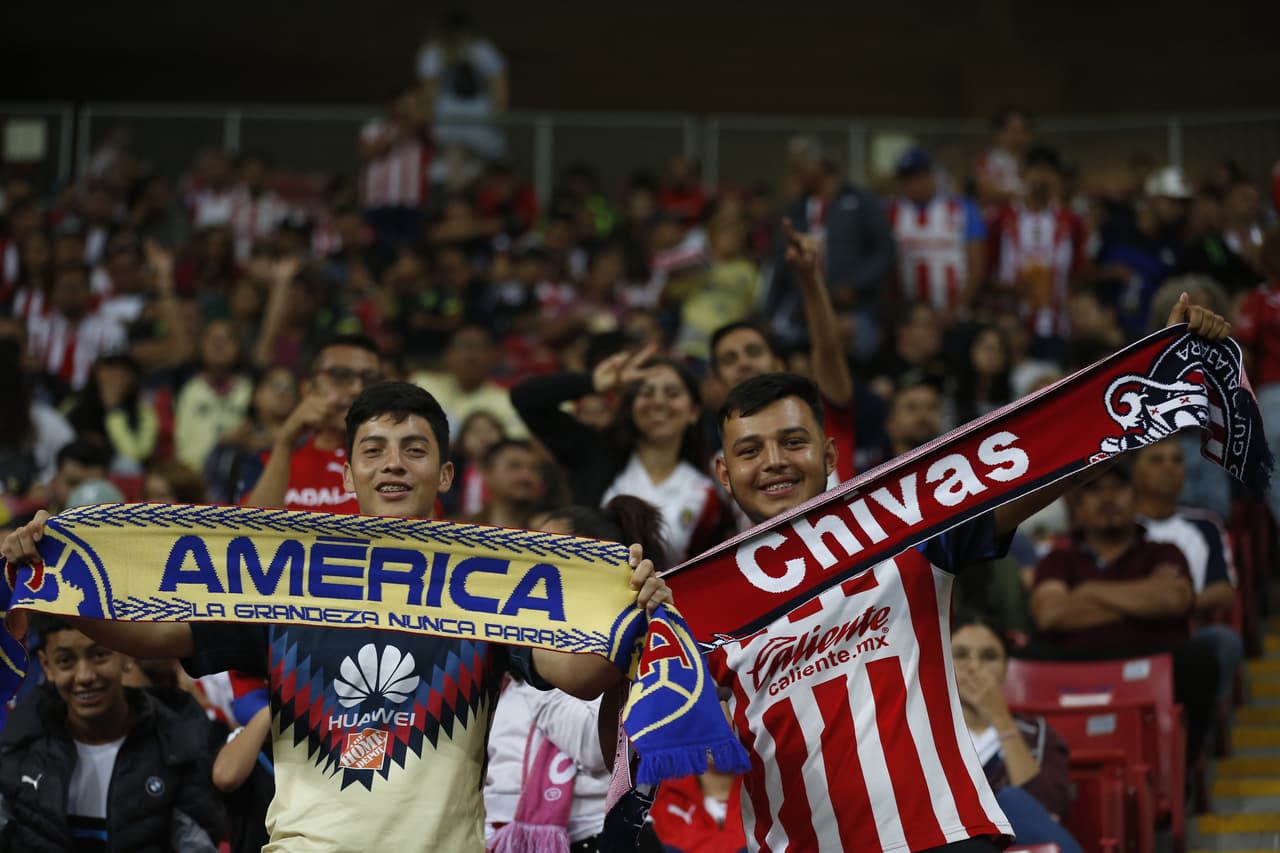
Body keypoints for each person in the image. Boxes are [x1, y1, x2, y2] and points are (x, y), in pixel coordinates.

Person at [2, 381, 671, 852]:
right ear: (348, 471)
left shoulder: (489, 580)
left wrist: (628, 617)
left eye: (414, 448)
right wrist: (53, 584)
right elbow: (157, 631)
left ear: (443, 474)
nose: (392, 464)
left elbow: (577, 674)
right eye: (374, 449)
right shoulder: (287, 577)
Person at [701, 295, 1230, 851]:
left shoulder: (900, 528)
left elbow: (1042, 465)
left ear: (830, 455)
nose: (774, 463)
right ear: (724, 472)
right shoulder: (697, 604)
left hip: (944, 839)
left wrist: (1154, 370)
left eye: (793, 442)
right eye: (750, 451)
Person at [486, 496, 670, 853]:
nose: (530, 568)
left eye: (547, 556)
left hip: (604, 841)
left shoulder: (616, 655)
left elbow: (595, 749)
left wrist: (535, 672)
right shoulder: (510, 662)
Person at [1027, 461, 1221, 765]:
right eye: (1094, 491)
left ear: (1135, 497)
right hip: (1074, 666)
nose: (1107, 498)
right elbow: (1051, 614)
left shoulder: (1164, 551)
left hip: (1148, 660)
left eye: (1118, 488)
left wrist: (1088, 592)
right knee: (1017, 660)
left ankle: (1178, 777)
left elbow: (1173, 600)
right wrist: (1142, 597)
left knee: (1202, 661)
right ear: (1077, 506)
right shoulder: (1058, 559)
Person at [0, 615, 224, 852]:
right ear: (47, 666)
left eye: (99, 655)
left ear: (127, 655)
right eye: (65, 661)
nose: (85, 676)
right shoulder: (19, 743)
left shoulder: (177, 742)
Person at [513, 350, 728, 562]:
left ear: (693, 411)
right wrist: (593, 382)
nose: (658, 402)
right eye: (646, 393)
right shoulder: (593, 454)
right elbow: (524, 399)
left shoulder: (709, 486)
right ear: (632, 406)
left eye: (672, 393)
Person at [709, 220, 856, 485]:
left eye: (753, 351)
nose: (743, 363)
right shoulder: (716, 464)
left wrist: (809, 277)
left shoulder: (820, 413)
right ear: (717, 382)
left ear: (779, 364)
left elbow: (827, 350)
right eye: (729, 359)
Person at [950, 613, 1082, 853]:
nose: (974, 667)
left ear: (1005, 668)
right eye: (960, 655)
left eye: (989, 657)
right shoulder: (924, 731)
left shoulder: (1038, 733)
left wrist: (1000, 720)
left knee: (1012, 800)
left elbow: (1047, 811)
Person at [1130, 437, 1242, 702]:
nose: (1169, 467)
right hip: (1124, 634)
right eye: (1156, 460)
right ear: (1134, 472)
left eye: (1177, 460)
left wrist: (1174, 606)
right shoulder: (1119, 526)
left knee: (1224, 641)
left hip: (1185, 635)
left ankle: (1197, 737)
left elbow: (1224, 592)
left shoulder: (1206, 525)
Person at [771, 136, 894, 355]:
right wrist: (772, 308)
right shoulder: (796, 208)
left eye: (799, 166)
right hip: (805, 310)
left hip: (854, 310)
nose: (795, 173)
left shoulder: (861, 200)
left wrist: (856, 285)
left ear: (820, 164)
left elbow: (884, 251)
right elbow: (781, 260)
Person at [240, 332, 383, 512]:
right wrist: (285, 441)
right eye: (340, 375)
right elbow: (253, 532)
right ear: (307, 389)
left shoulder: (397, 460)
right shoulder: (268, 460)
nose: (357, 388)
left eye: (370, 379)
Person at [989, 145, 1089, 346]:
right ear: (1022, 173)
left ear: (1057, 177)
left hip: (1057, 326)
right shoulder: (1002, 219)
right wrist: (1009, 288)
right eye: (1035, 169)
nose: (1041, 177)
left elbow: (1079, 274)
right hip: (1010, 324)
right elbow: (988, 270)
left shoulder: (1072, 222)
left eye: (1048, 170)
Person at [888, 146, 987, 319]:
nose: (913, 184)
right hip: (910, 319)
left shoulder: (962, 208)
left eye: (918, 177)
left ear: (932, 176)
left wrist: (959, 307)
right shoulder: (891, 212)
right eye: (906, 179)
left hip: (954, 315)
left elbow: (976, 263)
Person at [410, 324, 529, 440]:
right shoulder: (422, 385)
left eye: (479, 347)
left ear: (494, 356)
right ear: (447, 354)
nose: (470, 356)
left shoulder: (507, 401)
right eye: (463, 346)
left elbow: (515, 445)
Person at [173, 319, 253, 472]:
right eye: (213, 339)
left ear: (238, 347)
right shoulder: (187, 387)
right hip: (192, 474)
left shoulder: (251, 388)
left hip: (236, 472)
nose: (219, 345)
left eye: (226, 339)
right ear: (201, 346)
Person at [467, 438, 543, 528]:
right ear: (487, 473)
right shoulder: (460, 529)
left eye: (533, 469)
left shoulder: (552, 530)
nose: (526, 475)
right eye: (514, 466)